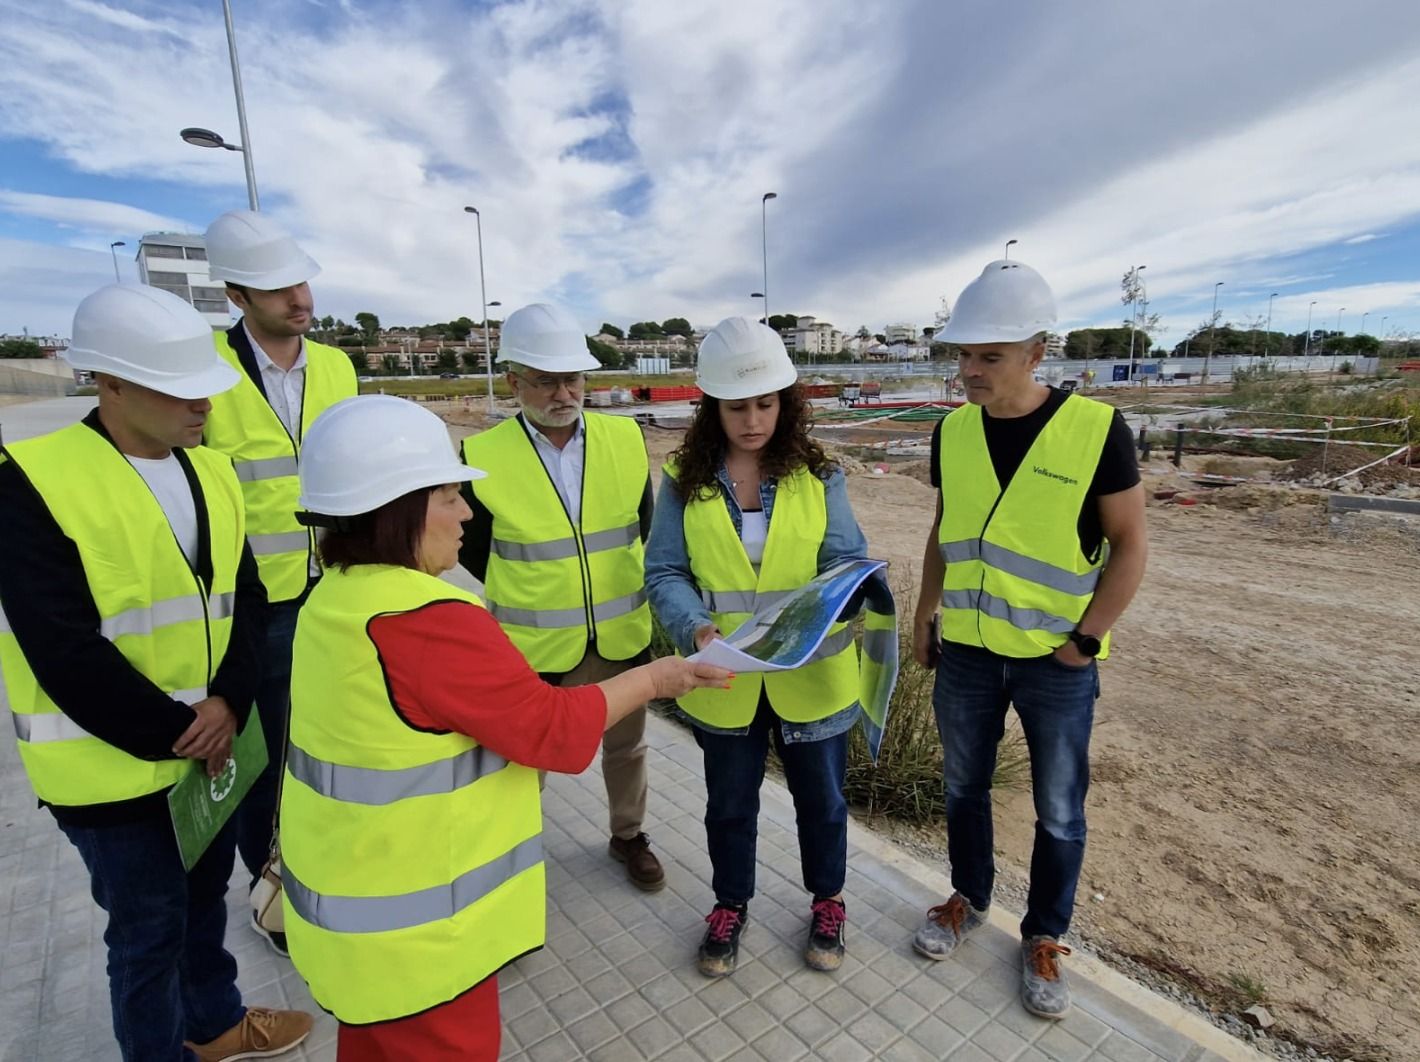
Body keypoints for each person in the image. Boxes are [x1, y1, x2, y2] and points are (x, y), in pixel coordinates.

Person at [279, 395, 729, 1061]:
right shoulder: (425, 619)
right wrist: (657, 678)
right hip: (421, 942)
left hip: (356, 920)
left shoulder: (335, 597)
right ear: (395, 507)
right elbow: (549, 729)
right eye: (448, 497)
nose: (466, 514)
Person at [0, 285, 314, 1062]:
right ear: (106, 382)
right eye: (178, 386)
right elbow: (62, 647)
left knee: (203, 904)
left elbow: (245, 600)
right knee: (146, 935)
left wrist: (231, 704)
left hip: (209, 747)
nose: (204, 401)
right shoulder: (31, 480)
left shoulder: (210, 472)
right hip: (110, 771)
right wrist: (184, 728)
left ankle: (214, 1026)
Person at [908, 260, 1148, 1019]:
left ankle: (1043, 935)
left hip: (1056, 664)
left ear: (1036, 352)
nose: (969, 371)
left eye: (990, 356)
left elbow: (1131, 543)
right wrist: (924, 614)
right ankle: (968, 898)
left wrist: (1086, 640)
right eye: (963, 355)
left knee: (1060, 811)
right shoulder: (953, 430)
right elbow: (946, 531)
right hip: (970, 654)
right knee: (962, 788)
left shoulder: (1096, 430)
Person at [645, 317, 881, 977]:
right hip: (726, 678)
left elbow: (843, 561)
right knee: (728, 806)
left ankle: (827, 900)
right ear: (712, 407)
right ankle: (729, 904)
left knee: (823, 803)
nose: (752, 420)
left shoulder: (819, 474)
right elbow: (664, 571)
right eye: (737, 405)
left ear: (786, 401)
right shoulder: (684, 481)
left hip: (810, 676)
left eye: (765, 403)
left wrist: (857, 589)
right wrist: (696, 628)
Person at [460, 303, 665, 890]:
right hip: (534, 645)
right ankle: (515, 855)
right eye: (546, 379)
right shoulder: (481, 456)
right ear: (513, 381)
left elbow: (640, 526)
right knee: (526, 764)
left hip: (620, 633)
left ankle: (629, 835)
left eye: (571, 377)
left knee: (627, 749)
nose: (562, 391)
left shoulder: (625, 439)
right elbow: (474, 550)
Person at [201, 209, 358, 950]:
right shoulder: (208, 370)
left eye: (301, 280)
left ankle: (327, 862)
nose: (299, 298)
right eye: (275, 287)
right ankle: (272, 889)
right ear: (237, 296)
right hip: (256, 601)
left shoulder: (336, 366)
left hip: (336, 585)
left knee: (333, 734)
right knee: (266, 756)